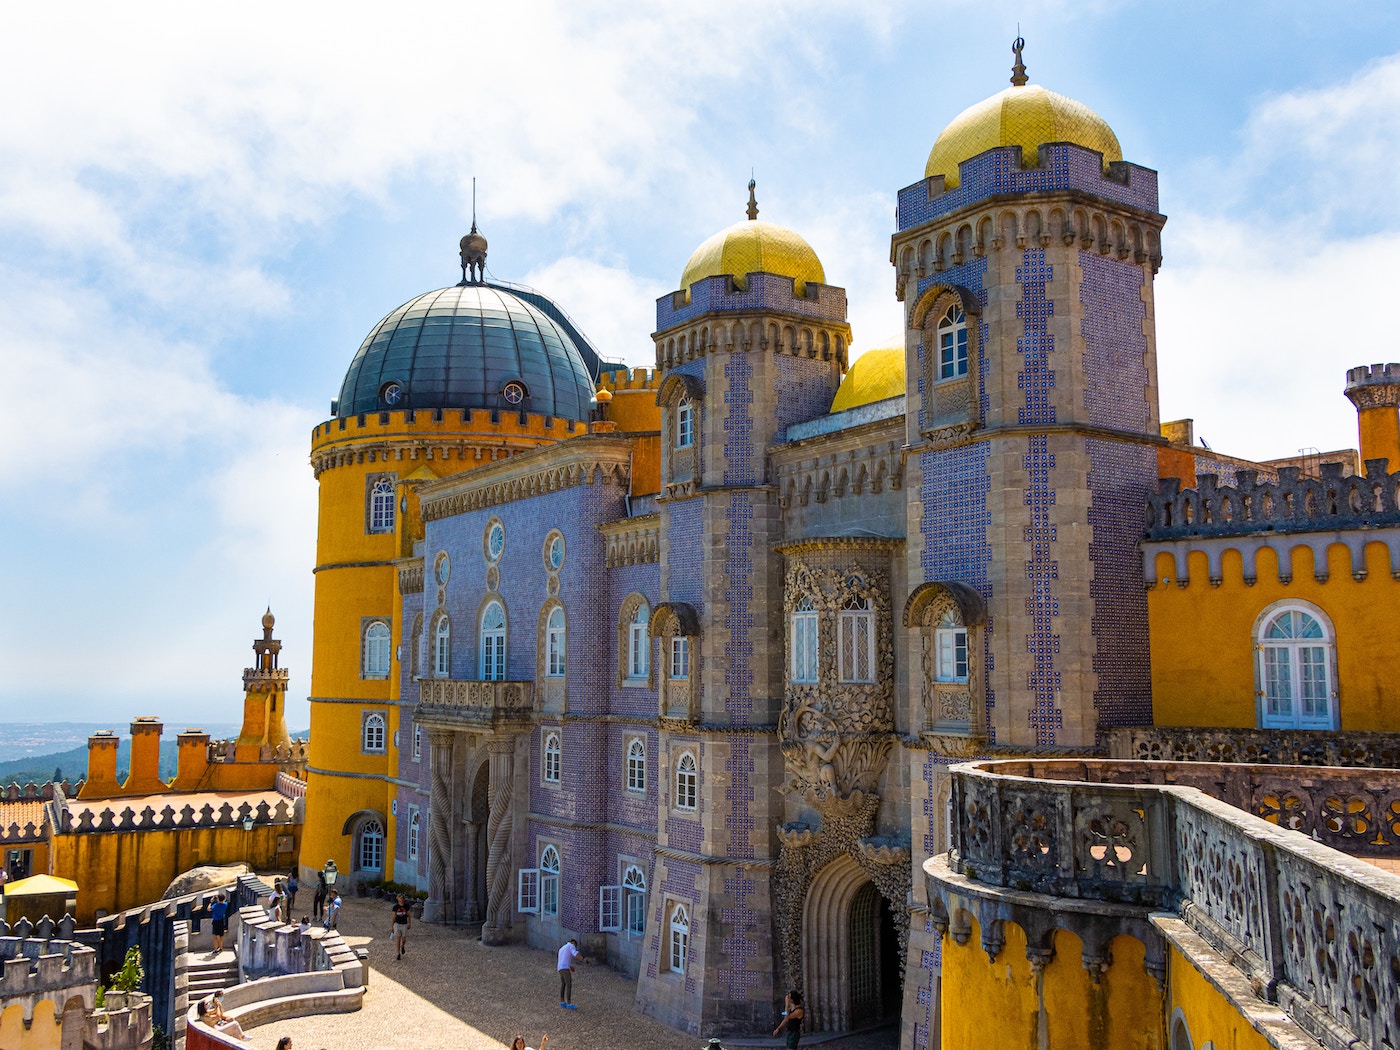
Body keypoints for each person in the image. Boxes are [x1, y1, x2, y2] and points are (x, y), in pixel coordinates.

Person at [557, 938, 583, 1009]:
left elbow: (563, 959)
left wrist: (570, 966)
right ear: (573, 943)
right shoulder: (571, 946)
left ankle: (562, 1001)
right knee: (569, 984)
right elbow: (575, 954)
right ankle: (569, 1003)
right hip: (565, 968)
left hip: (560, 968)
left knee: (563, 984)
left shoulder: (562, 948)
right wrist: (583, 959)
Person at [391, 894, 411, 960]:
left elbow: (408, 915)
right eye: (400, 898)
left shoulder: (406, 906)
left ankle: (402, 946)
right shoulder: (395, 907)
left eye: (402, 898)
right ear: (397, 899)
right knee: (398, 940)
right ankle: (398, 953)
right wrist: (392, 926)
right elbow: (393, 917)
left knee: (404, 938)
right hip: (397, 924)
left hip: (404, 924)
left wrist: (409, 923)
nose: (401, 899)